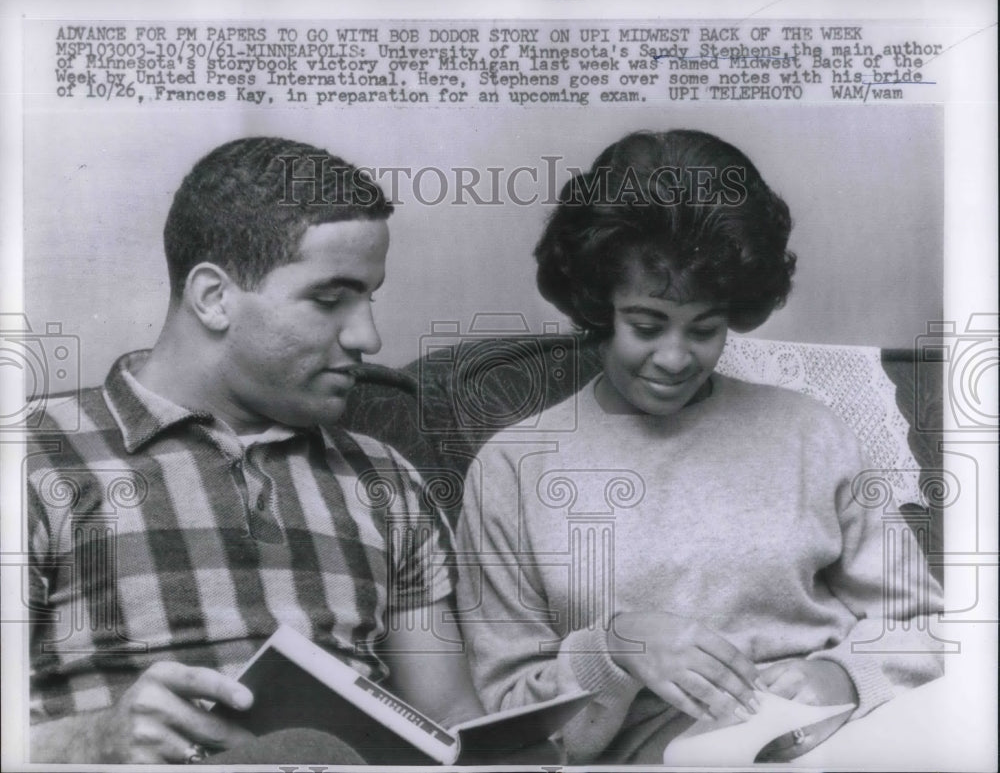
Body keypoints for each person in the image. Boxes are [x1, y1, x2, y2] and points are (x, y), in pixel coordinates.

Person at [454, 129, 945, 764]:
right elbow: (515, 723)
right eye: (646, 325)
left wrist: (843, 677)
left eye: (705, 329)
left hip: (848, 737)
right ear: (596, 308)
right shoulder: (512, 470)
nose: (675, 358)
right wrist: (616, 649)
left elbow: (925, 624)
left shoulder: (810, 431)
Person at [26, 136, 485, 763]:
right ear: (214, 298)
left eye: (368, 299)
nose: (369, 338)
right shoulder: (32, 458)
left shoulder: (386, 480)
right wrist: (91, 742)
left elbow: (449, 722)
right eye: (330, 300)